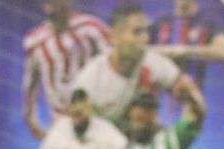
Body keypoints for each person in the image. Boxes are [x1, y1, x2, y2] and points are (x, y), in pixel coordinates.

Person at [71, 4, 202, 125]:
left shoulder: (153, 62)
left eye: (146, 31)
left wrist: (191, 112)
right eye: (137, 32)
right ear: (114, 36)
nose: (145, 38)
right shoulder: (89, 82)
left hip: (143, 144)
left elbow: (190, 94)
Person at [22, 1, 112, 140]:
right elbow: (30, 84)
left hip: (97, 115)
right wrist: (32, 120)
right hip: (62, 121)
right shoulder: (35, 42)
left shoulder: (91, 27)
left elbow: (114, 59)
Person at [152, 0, 224, 84]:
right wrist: (164, 51)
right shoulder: (158, 23)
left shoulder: (209, 22)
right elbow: (140, 49)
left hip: (194, 91)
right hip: (161, 93)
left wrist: (184, 51)